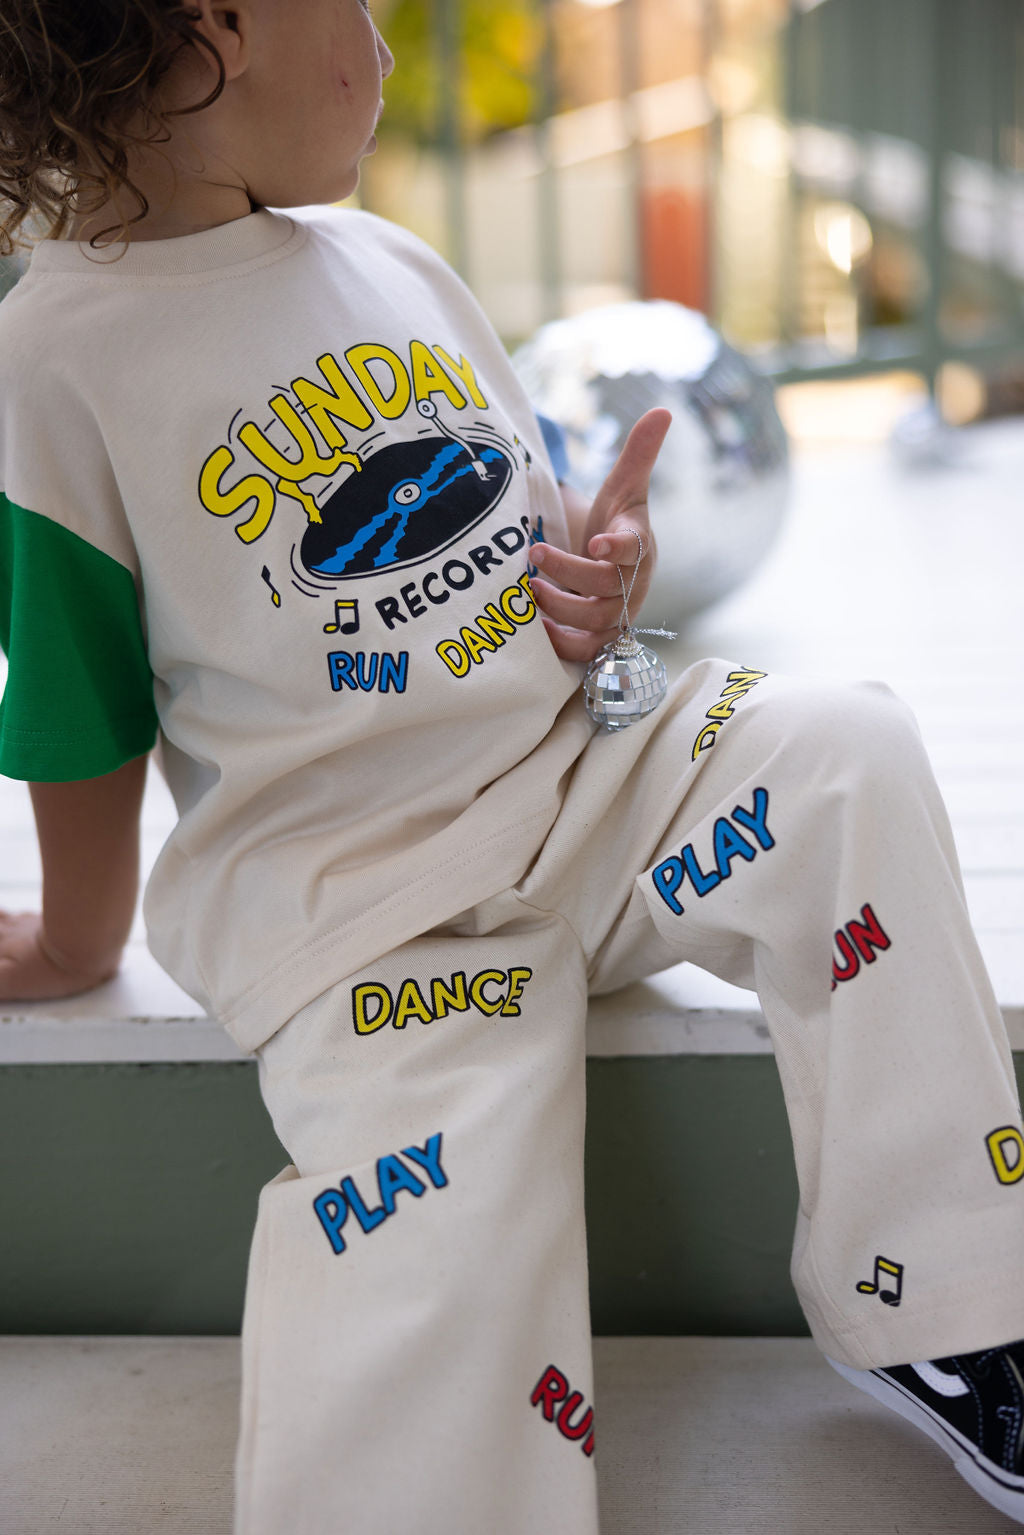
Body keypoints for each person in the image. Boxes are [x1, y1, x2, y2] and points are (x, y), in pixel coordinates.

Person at [1, 3, 1023, 1531]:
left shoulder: (390, 262)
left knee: (845, 749)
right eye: (352, 8)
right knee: (430, 1233)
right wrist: (83, 935)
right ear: (216, 32)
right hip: (371, 912)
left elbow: (528, 538)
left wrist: (603, 570)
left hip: (590, 788)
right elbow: (76, 703)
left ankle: (945, 1307)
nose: (391, 47)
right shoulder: (56, 353)